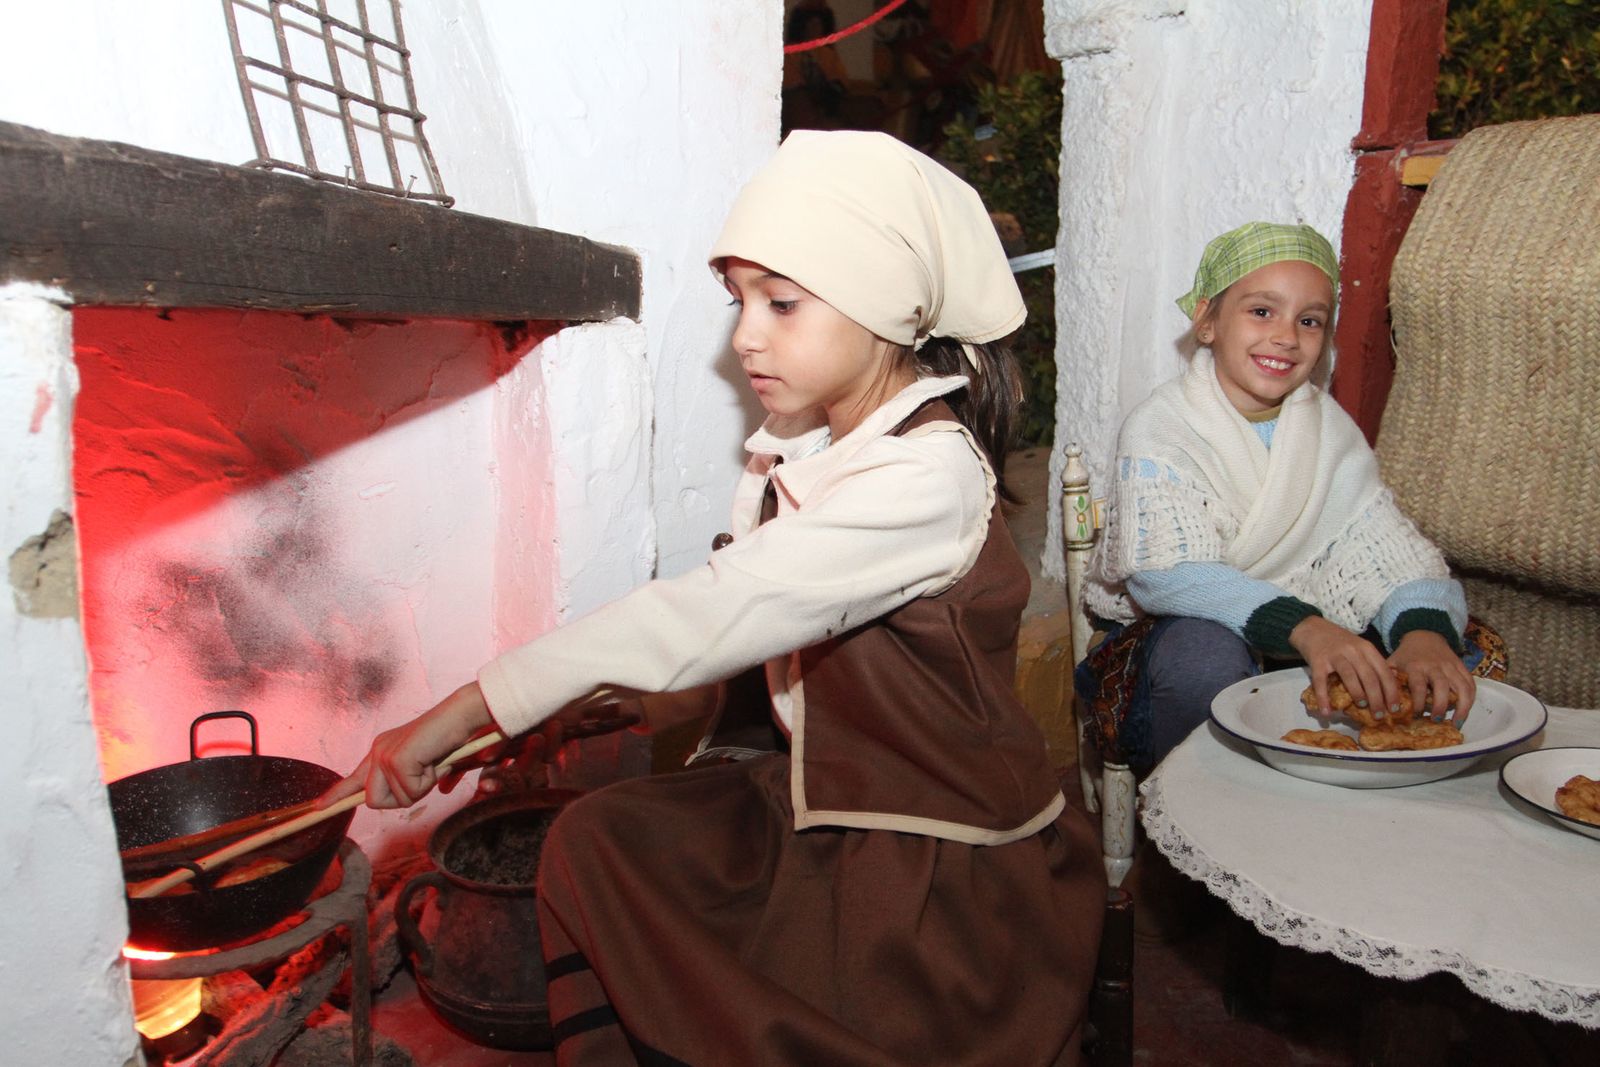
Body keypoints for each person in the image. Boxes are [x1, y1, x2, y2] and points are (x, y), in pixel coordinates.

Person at [327, 130, 1105, 1066]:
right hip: (816, 799)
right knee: (597, 841)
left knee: (800, 1006)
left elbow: (710, 612)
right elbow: (763, 660)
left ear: (886, 309)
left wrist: (467, 706)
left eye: (782, 302)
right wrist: (543, 715)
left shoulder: (924, 479)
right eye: (738, 301)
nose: (745, 334)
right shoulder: (817, 447)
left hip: (930, 849)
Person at [1076, 221, 1496, 775]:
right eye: (1261, 311)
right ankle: (1199, 811)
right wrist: (1308, 628)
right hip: (1183, 624)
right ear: (1206, 321)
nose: (1286, 336)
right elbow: (1165, 573)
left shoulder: (1326, 428)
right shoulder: (1160, 429)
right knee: (1203, 658)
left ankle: (1359, 797)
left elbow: (1387, 549)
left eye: (1309, 320)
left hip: (1306, 624)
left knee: (1455, 652)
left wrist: (1422, 634)